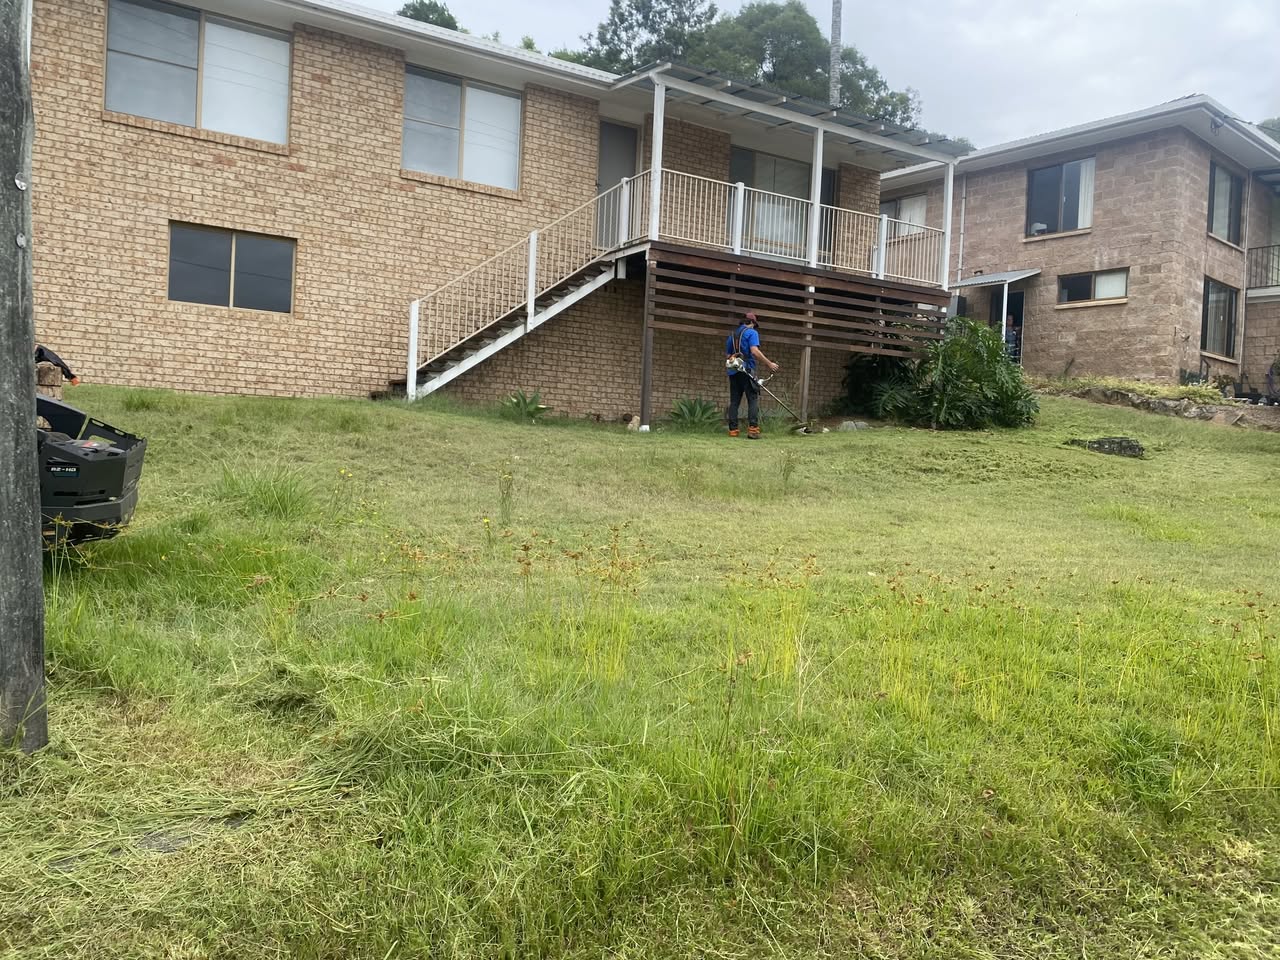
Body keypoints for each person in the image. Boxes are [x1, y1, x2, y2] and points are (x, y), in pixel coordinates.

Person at [724, 311, 778, 439]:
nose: (754, 327)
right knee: (752, 399)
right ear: (752, 323)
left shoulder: (731, 336)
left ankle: (733, 431)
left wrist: (736, 359)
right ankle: (753, 430)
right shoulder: (752, 333)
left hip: (734, 371)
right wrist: (769, 364)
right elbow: (754, 351)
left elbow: (728, 356)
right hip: (748, 370)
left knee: (734, 401)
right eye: (755, 325)